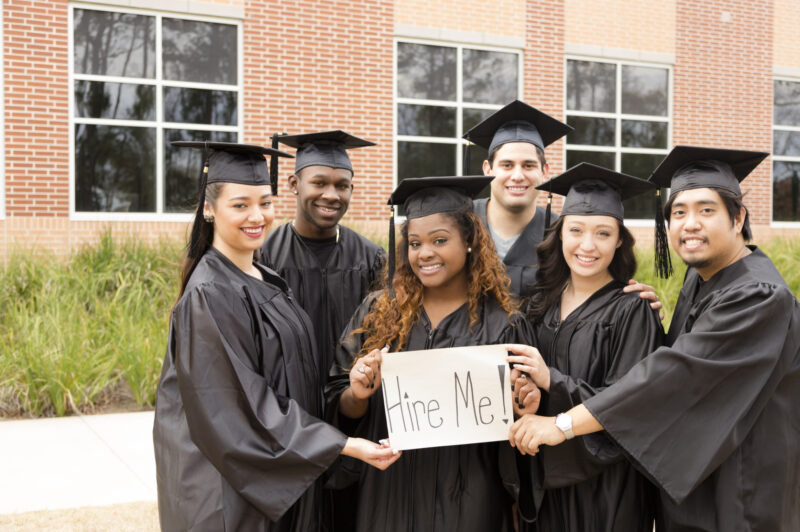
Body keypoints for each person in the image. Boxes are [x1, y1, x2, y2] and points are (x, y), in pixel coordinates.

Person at [509, 146, 800, 531]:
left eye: (706, 210)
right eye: (679, 213)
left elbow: (672, 377)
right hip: (696, 483)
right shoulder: (704, 279)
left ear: (738, 217)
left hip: (740, 491)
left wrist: (561, 423)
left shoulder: (758, 296)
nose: (690, 224)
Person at [152, 141, 400, 532]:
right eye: (240, 205)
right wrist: (342, 444)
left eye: (265, 203)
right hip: (231, 492)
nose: (257, 216)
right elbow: (236, 406)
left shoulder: (262, 277)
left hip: (273, 481)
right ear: (209, 208)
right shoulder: (210, 292)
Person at [325, 176, 537, 532]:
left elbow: (523, 429)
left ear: (469, 241)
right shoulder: (379, 314)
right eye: (414, 243)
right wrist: (357, 394)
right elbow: (339, 405)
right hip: (389, 494)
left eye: (440, 240)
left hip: (471, 499)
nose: (424, 253)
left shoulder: (505, 326)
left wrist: (522, 405)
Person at [504, 163, 664, 531]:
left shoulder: (633, 309)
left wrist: (551, 380)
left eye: (603, 233)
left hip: (608, 490)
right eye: (576, 230)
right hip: (545, 482)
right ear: (560, 235)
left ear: (619, 240)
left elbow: (631, 403)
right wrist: (524, 394)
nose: (587, 245)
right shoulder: (538, 306)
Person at [259, 130, 385, 385]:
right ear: (294, 184)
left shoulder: (371, 258)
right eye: (319, 183)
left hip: (353, 404)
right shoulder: (264, 256)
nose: (331, 195)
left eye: (342, 185)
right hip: (288, 404)